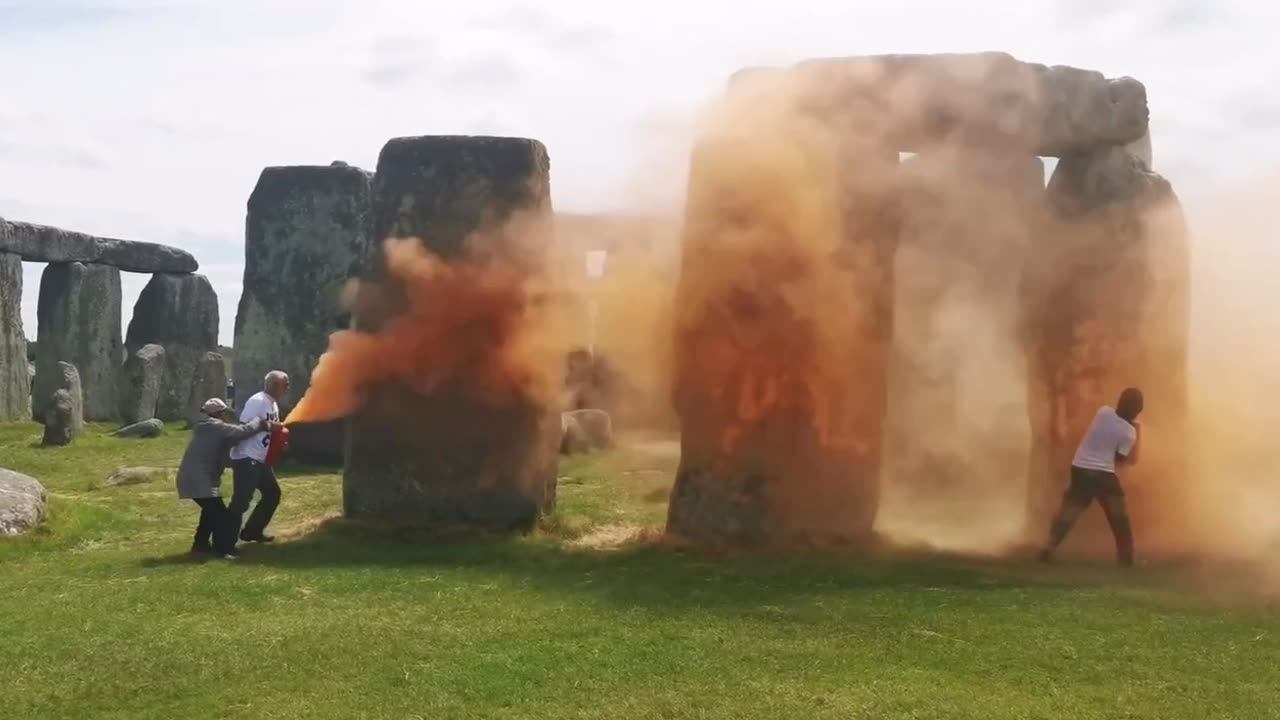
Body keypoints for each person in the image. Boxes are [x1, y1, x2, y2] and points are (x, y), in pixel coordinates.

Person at [1039, 387, 1144, 567]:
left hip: (1080, 467)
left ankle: (1048, 546)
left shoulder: (1103, 412)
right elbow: (1122, 460)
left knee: (1069, 512)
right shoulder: (1129, 432)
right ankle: (1127, 558)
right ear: (1137, 410)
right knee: (1119, 517)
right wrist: (1137, 435)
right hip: (1102, 474)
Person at [176, 398, 267, 559]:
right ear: (219, 413)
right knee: (221, 514)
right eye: (224, 412)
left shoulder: (205, 427)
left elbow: (226, 449)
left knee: (210, 512)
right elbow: (242, 431)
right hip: (199, 479)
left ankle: (200, 545)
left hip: (192, 478)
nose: (226, 415)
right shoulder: (214, 426)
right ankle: (223, 550)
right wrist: (258, 421)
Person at [227, 370, 289, 549]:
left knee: (272, 494)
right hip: (247, 457)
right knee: (240, 502)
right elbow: (244, 427)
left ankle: (252, 532)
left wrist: (278, 443)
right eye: (286, 384)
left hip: (260, 459)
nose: (288, 387)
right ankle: (225, 543)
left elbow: (268, 431)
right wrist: (271, 427)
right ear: (275, 385)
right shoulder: (258, 401)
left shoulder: (273, 404)